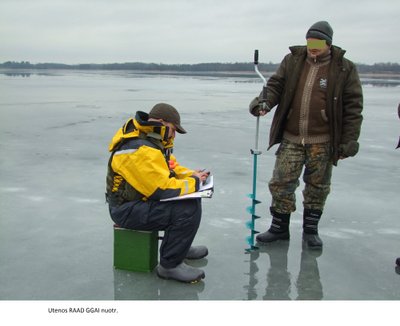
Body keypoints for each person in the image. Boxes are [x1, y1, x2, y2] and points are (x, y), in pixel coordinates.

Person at [249, 21, 363, 249]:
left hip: (323, 139)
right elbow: (275, 86)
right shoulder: (293, 61)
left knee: (317, 186)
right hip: (292, 136)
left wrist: (348, 141)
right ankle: (279, 228)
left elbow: (353, 106)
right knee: (281, 183)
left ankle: (310, 231)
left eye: (318, 42)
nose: (313, 46)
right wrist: (264, 102)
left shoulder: (344, 68)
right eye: (310, 41)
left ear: (328, 44)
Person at [106, 103, 210, 283]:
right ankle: (170, 265)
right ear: (162, 123)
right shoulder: (139, 148)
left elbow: (171, 169)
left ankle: (179, 249)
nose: (174, 134)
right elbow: (162, 189)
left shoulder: (153, 141)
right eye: (173, 129)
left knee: (190, 202)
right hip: (126, 210)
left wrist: (192, 174)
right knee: (187, 208)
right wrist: (194, 183)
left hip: (139, 203)